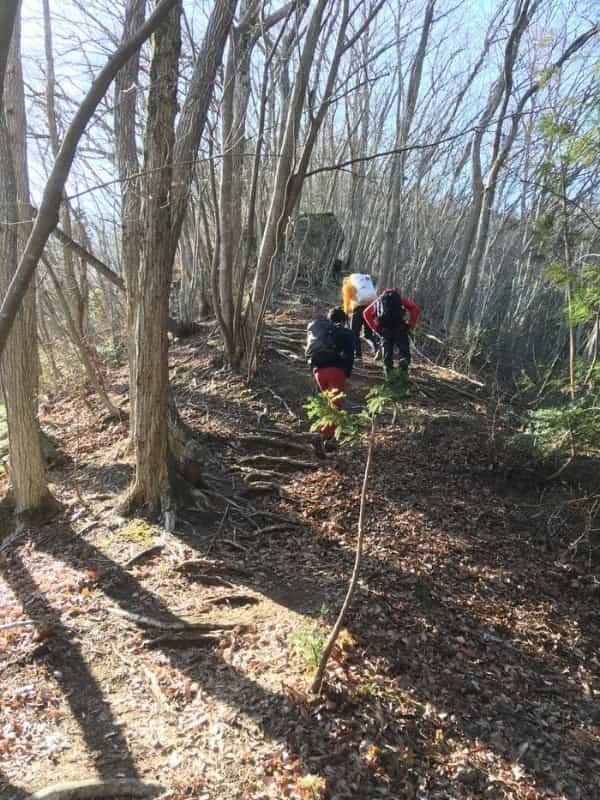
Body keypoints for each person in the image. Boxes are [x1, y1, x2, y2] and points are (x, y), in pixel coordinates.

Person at [305, 307, 355, 457]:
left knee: (329, 405)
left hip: (318, 372)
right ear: (343, 320)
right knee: (335, 407)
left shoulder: (322, 331)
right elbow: (350, 354)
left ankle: (327, 442)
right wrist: (346, 372)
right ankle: (321, 437)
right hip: (335, 372)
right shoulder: (345, 332)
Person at [363, 289, 421, 378]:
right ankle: (403, 365)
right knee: (404, 350)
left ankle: (388, 373)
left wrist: (375, 328)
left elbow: (366, 313)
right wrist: (410, 324)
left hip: (385, 330)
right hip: (400, 328)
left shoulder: (379, 300)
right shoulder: (401, 299)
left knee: (387, 353)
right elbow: (415, 309)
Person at [342, 273, 379, 359]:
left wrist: (346, 313)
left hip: (358, 310)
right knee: (368, 334)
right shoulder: (364, 285)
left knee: (354, 333)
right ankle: (378, 348)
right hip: (370, 309)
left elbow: (347, 303)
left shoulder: (347, 286)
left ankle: (357, 354)